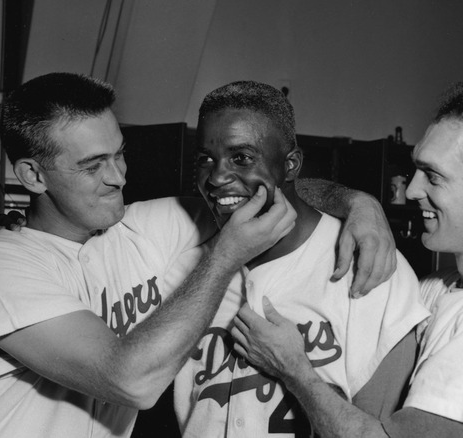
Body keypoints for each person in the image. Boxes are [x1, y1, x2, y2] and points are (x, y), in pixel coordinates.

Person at [0, 72, 396, 438]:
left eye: (119, 154)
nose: (118, 177)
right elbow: (130, 381)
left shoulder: (139, 228)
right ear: (32, 176)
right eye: (93, 165)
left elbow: (267, 187)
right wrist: (224, 257)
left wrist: (359, 203)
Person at [232, 78, 463, 438]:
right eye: (417, 170)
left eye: (433, 177)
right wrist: (360, 203)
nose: (414, 189)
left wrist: (294, 369)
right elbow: (292, 191)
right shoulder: (443, 288)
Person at [172, 81, 430, 437]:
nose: (216, 177)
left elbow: (377, 431)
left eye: (241, 158)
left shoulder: (369, 264)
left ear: (291, 165)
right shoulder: (185, 259)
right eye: (205, 159)